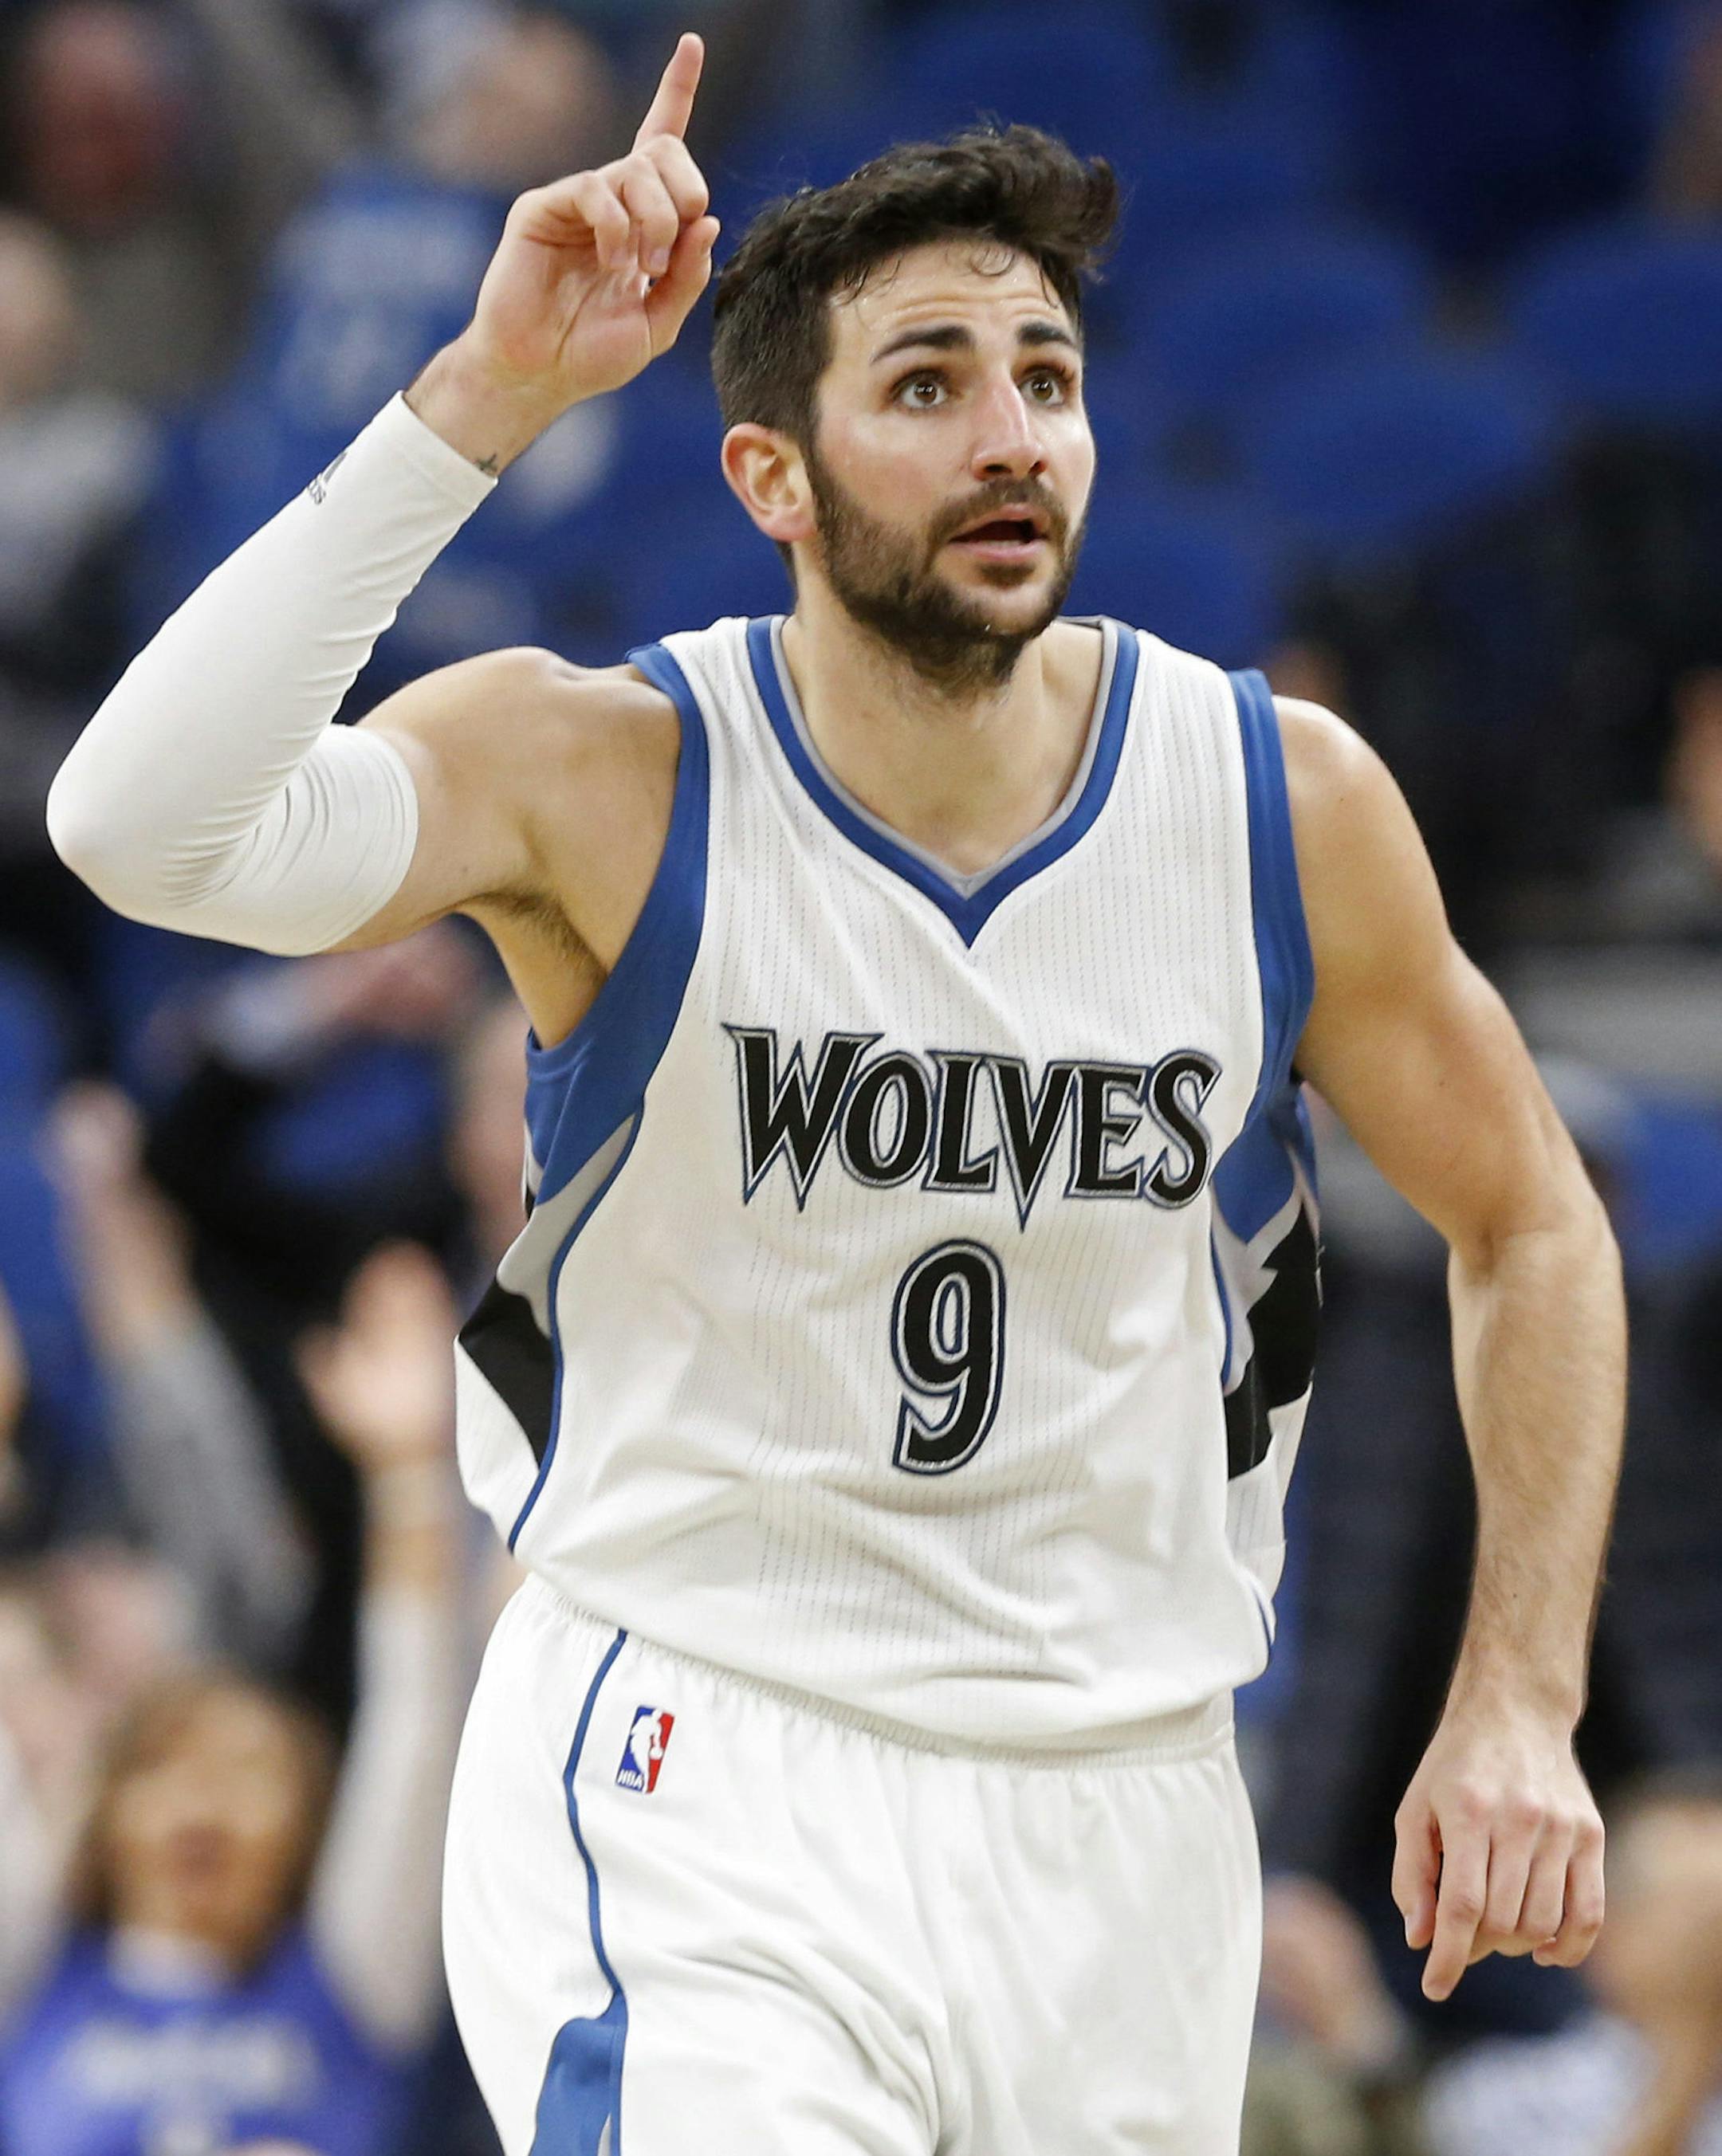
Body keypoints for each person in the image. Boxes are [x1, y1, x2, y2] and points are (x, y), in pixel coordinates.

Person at [45, 33, 1625, 2156]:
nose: (1011, 441)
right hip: (707, 1765)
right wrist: (485, 401)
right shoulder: (611, 770)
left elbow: (1532, 1220)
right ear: (770, 475)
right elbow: (142, 829)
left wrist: (1521, 1690)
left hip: (1127, 1807)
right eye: (927, 385)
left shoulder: (1276, 805)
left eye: (1047, 382)